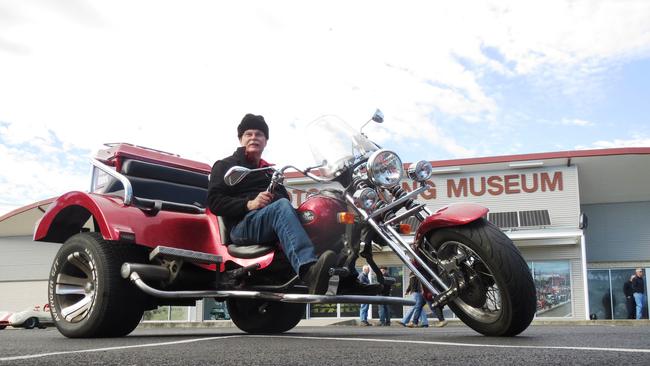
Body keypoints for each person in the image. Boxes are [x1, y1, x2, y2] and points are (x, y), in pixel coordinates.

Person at [207, 114, 337, 295]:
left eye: (259, 134)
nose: (253, 138)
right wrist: (249, 204)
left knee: (318, 211)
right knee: (282, 206)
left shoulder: (270, 171)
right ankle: (308, 270)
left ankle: (344, 273)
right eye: (248, 134)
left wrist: (272, 199)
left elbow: (285, 198)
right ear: (240, 139)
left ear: (265, 140)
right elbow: (214, 202)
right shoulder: (226, 166)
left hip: (266, 222)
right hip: (241, 227)